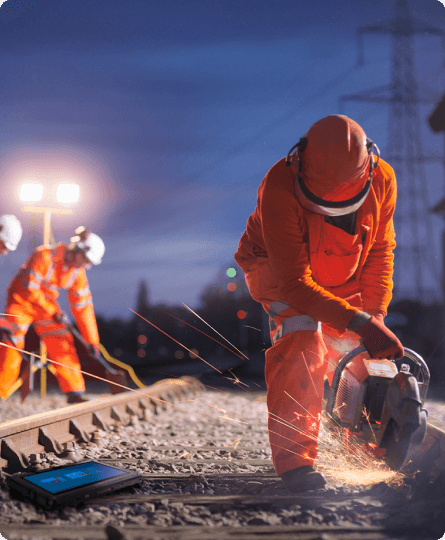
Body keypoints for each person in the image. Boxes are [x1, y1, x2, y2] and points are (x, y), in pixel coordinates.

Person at [234, 115, 404, 493]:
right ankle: (296, 463)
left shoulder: (383, 179)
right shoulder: (278, 185)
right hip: (277, 269)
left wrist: (373, 317)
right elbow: (295, 286)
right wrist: (361, 322)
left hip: (343, 270)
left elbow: (379, 251)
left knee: (361, 352)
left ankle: (365, 448)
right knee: (303, 339)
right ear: (300, 164)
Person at [0, 226, 105, 404]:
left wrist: (92, 340)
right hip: (21, 301)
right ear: (77, 249)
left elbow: (83, 307)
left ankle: (75, 392)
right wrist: (54, 311)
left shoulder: (77, 273)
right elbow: (30, 288)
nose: (85, 265)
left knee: (62, 340)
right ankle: (1, 391)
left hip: (46, 306)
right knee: (12, 343)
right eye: (85, 260)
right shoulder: (44, 255)